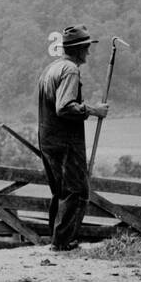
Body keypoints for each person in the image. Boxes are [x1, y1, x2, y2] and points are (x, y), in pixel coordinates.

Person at [36, 24, 109, 252]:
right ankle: (63, 242)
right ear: (78, 49)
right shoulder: (70, 71)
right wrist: (94, 110)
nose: (88, 52)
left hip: (47, 138)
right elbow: (64, 106)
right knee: (77, 190)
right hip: (65, 140)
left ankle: (56, 240)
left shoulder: (51, 69)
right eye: (86, 48)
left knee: (60, 191)